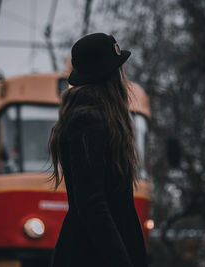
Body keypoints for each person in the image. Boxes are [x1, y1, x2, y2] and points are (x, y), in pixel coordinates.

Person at [48, 33, 148, 267]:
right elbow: (92, 203)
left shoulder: (96, 118)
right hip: (94, 255)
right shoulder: (89, 121)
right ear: (110, 76)